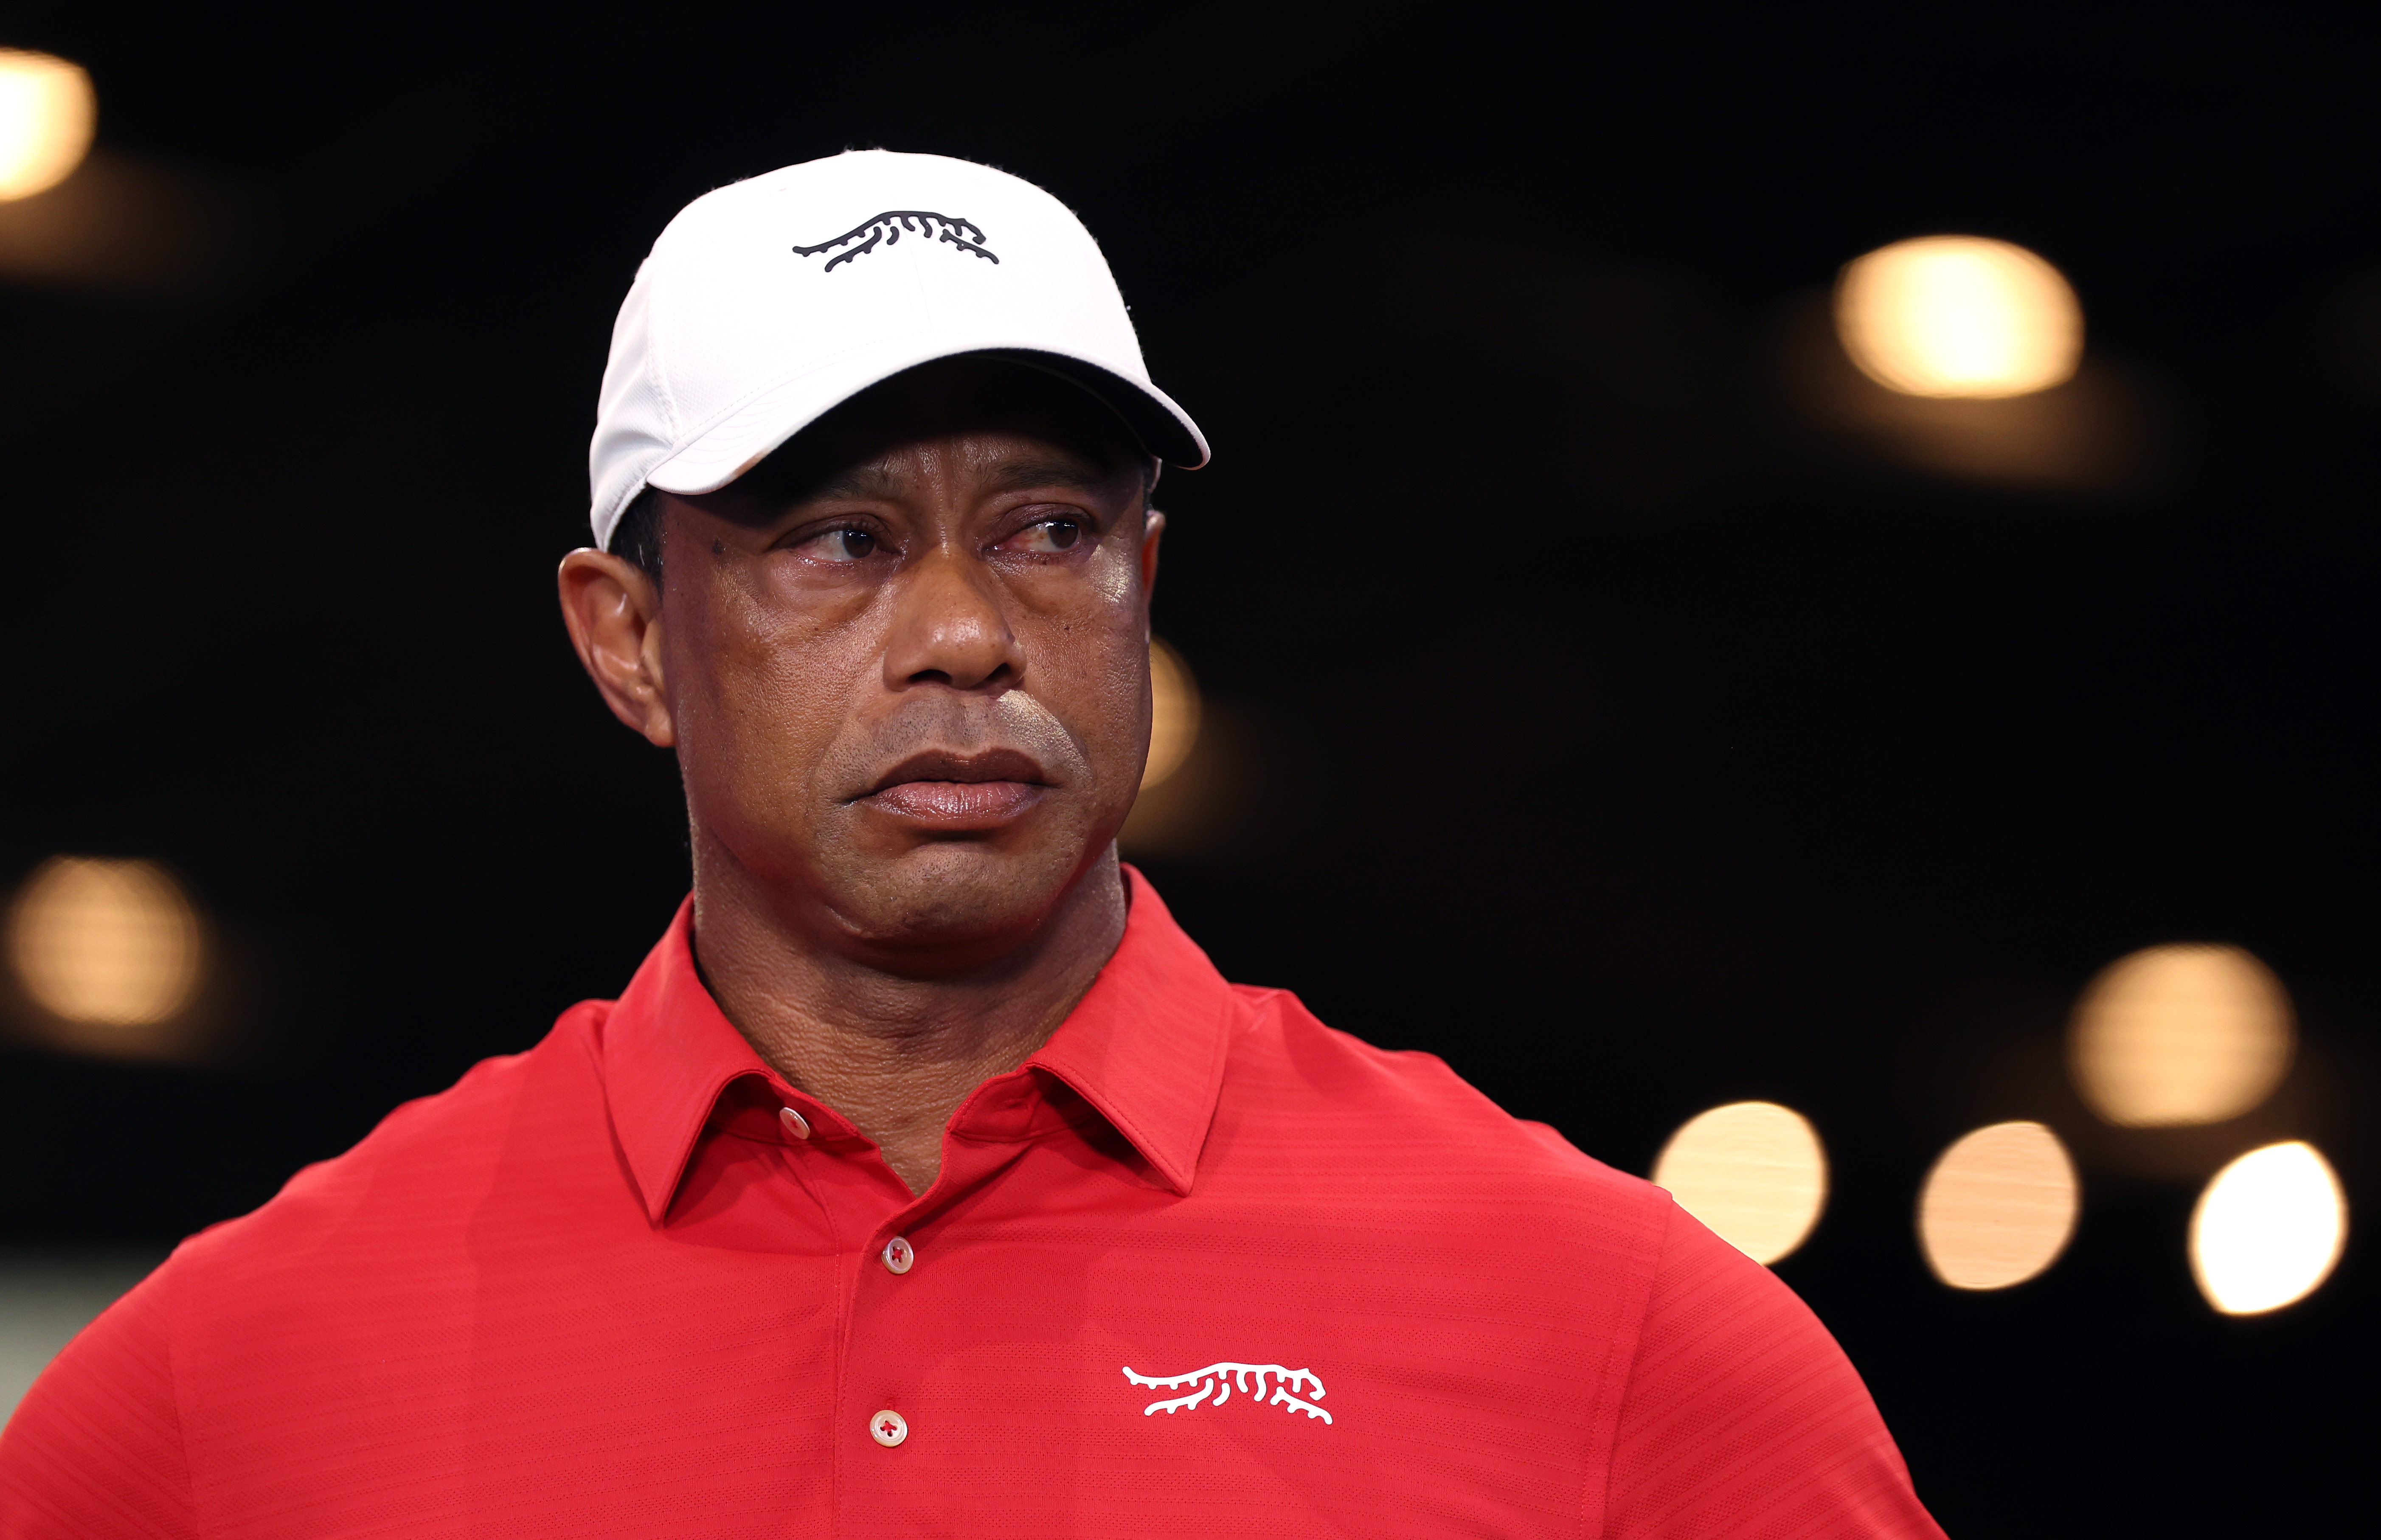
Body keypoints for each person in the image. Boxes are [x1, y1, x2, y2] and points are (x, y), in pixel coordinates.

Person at [0, 151, 1945, 1538]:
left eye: (1046, 528)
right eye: (837, 538)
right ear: (627, 639)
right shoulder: (246, 1378)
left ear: (1143, 582)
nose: (963, 630)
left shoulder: (1603, 1327)